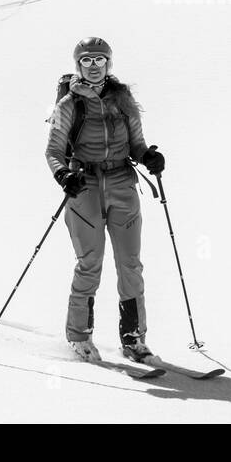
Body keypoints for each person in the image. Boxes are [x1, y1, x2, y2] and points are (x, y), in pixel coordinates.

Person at [44, 37, 166, 364]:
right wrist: (62, 175)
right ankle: (80, 337)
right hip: (84, 187)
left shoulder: (124, 100)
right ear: (78, 65)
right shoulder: (68, 105)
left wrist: (149, 158)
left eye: (100, 59)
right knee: (90, 263)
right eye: (87, 60)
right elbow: (54, 150)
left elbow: (137, 144)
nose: (94, 65)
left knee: (130, 264)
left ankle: (134, 338)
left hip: (122, 185)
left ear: (108, 63)